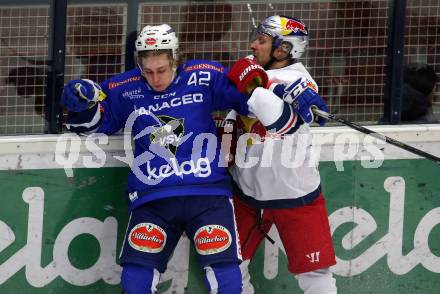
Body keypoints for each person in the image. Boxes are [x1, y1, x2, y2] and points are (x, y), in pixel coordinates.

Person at [60, 24, 271, 294]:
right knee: (135, 277)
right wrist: (81, 105)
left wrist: (255, 78)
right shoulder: (125, 87)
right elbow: (93, 125)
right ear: (139, 65)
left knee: (224, 272)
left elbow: (251, 102)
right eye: (148, 71)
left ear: (175, 58)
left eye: (162, 70)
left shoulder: (203, 75)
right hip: (153, 195)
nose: (156, 78)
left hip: (206, 193)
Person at [225, 15, 338, 293]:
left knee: (316, 275)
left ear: (283, 49)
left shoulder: (302, 81)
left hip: (295, 195)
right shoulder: (252, 70)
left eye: (261, 41)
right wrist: (272, 87)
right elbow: (244, 73)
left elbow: (277, 113)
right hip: (246, 192)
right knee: (226, 268)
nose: (252, 45)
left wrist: (280, 89)